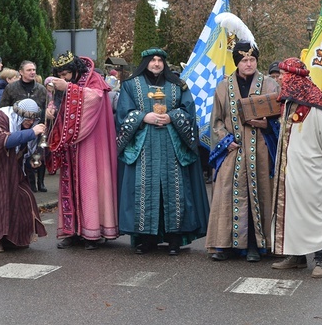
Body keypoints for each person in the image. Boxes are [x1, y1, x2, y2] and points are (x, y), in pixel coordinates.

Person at [115, 48, 210, 256]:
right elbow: (122, 114)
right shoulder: (130, 85)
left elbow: (189, 113)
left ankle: (174, 240)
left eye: (160, 60)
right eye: (152, 60)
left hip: (171, 146)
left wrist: (172, 117)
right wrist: (142, 117)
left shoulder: (178, 86)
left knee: (173, 191)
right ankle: (146, 240)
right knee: (145, 191)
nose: (156, 63)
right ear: (145, 62)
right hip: (143, 146)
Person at [205, 40, 278, 263]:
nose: (249, 64)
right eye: (244, 60)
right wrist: (225, 141)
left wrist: (266, 125)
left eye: (252, 59)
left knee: (260, 195)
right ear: (237, 62)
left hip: (261, 151)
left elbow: (279, 119)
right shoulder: (222, 86)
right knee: (226, 194)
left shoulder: (270, 84)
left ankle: (257, 245)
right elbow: (216, 121)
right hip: (233, 151)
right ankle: (224, 245)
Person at [268, 58, 322, 278]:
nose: (279, 78)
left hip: (310, 170)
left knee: (314, 213)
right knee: (292, 213)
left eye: (283, 74)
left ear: (294, 78)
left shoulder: (317, 104)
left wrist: (311, 155)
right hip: (290, 171)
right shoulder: (289, 102)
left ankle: (321, 258)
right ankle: (297, 256)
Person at [47, 51, 119, 250]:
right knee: (69, 186)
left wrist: (69, 88)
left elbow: (94, 99)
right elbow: (58, 101)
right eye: (60, 75)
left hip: (91, 143)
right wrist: (52, 107)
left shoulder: (93, 78)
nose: (63, 78)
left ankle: (93, 232)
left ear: (75, 70)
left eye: (66, 74)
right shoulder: (66, 82)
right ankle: (72, 232)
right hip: (70, 145)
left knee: (90, 184)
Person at [0, 99, 48, 252]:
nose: (30, 122)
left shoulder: (31, 125)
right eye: (27, 119)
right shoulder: (0, 117)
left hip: (12, 164)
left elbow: (30, 147)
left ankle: (15, 237)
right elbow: (4, 140)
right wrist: (31, 132)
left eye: (33, 119)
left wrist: (35, 160)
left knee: (23, 197)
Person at [0, 61, 47, 193]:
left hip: (37, 126)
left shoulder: (41, 89)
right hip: (17, 127)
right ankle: (24, 184)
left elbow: (45, 108)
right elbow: (3, 108)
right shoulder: (11, 88)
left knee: (37, 153)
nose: (32, 72)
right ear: (21, 72)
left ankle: (40, 182)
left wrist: (43, 125)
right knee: (20, 157)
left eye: (34, 69)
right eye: (29, 70)